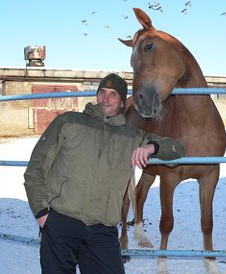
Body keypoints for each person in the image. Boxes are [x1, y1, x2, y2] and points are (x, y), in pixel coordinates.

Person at [24, 73, 185, 274]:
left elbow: (177, 149)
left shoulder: (132, 136)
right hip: (60, 222)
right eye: (102, 92)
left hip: (102, 230)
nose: (105, 98)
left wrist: (151, 147)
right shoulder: (69, 122)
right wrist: (42, 214)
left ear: (121, 102)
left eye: (113, 94)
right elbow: (36, 169)